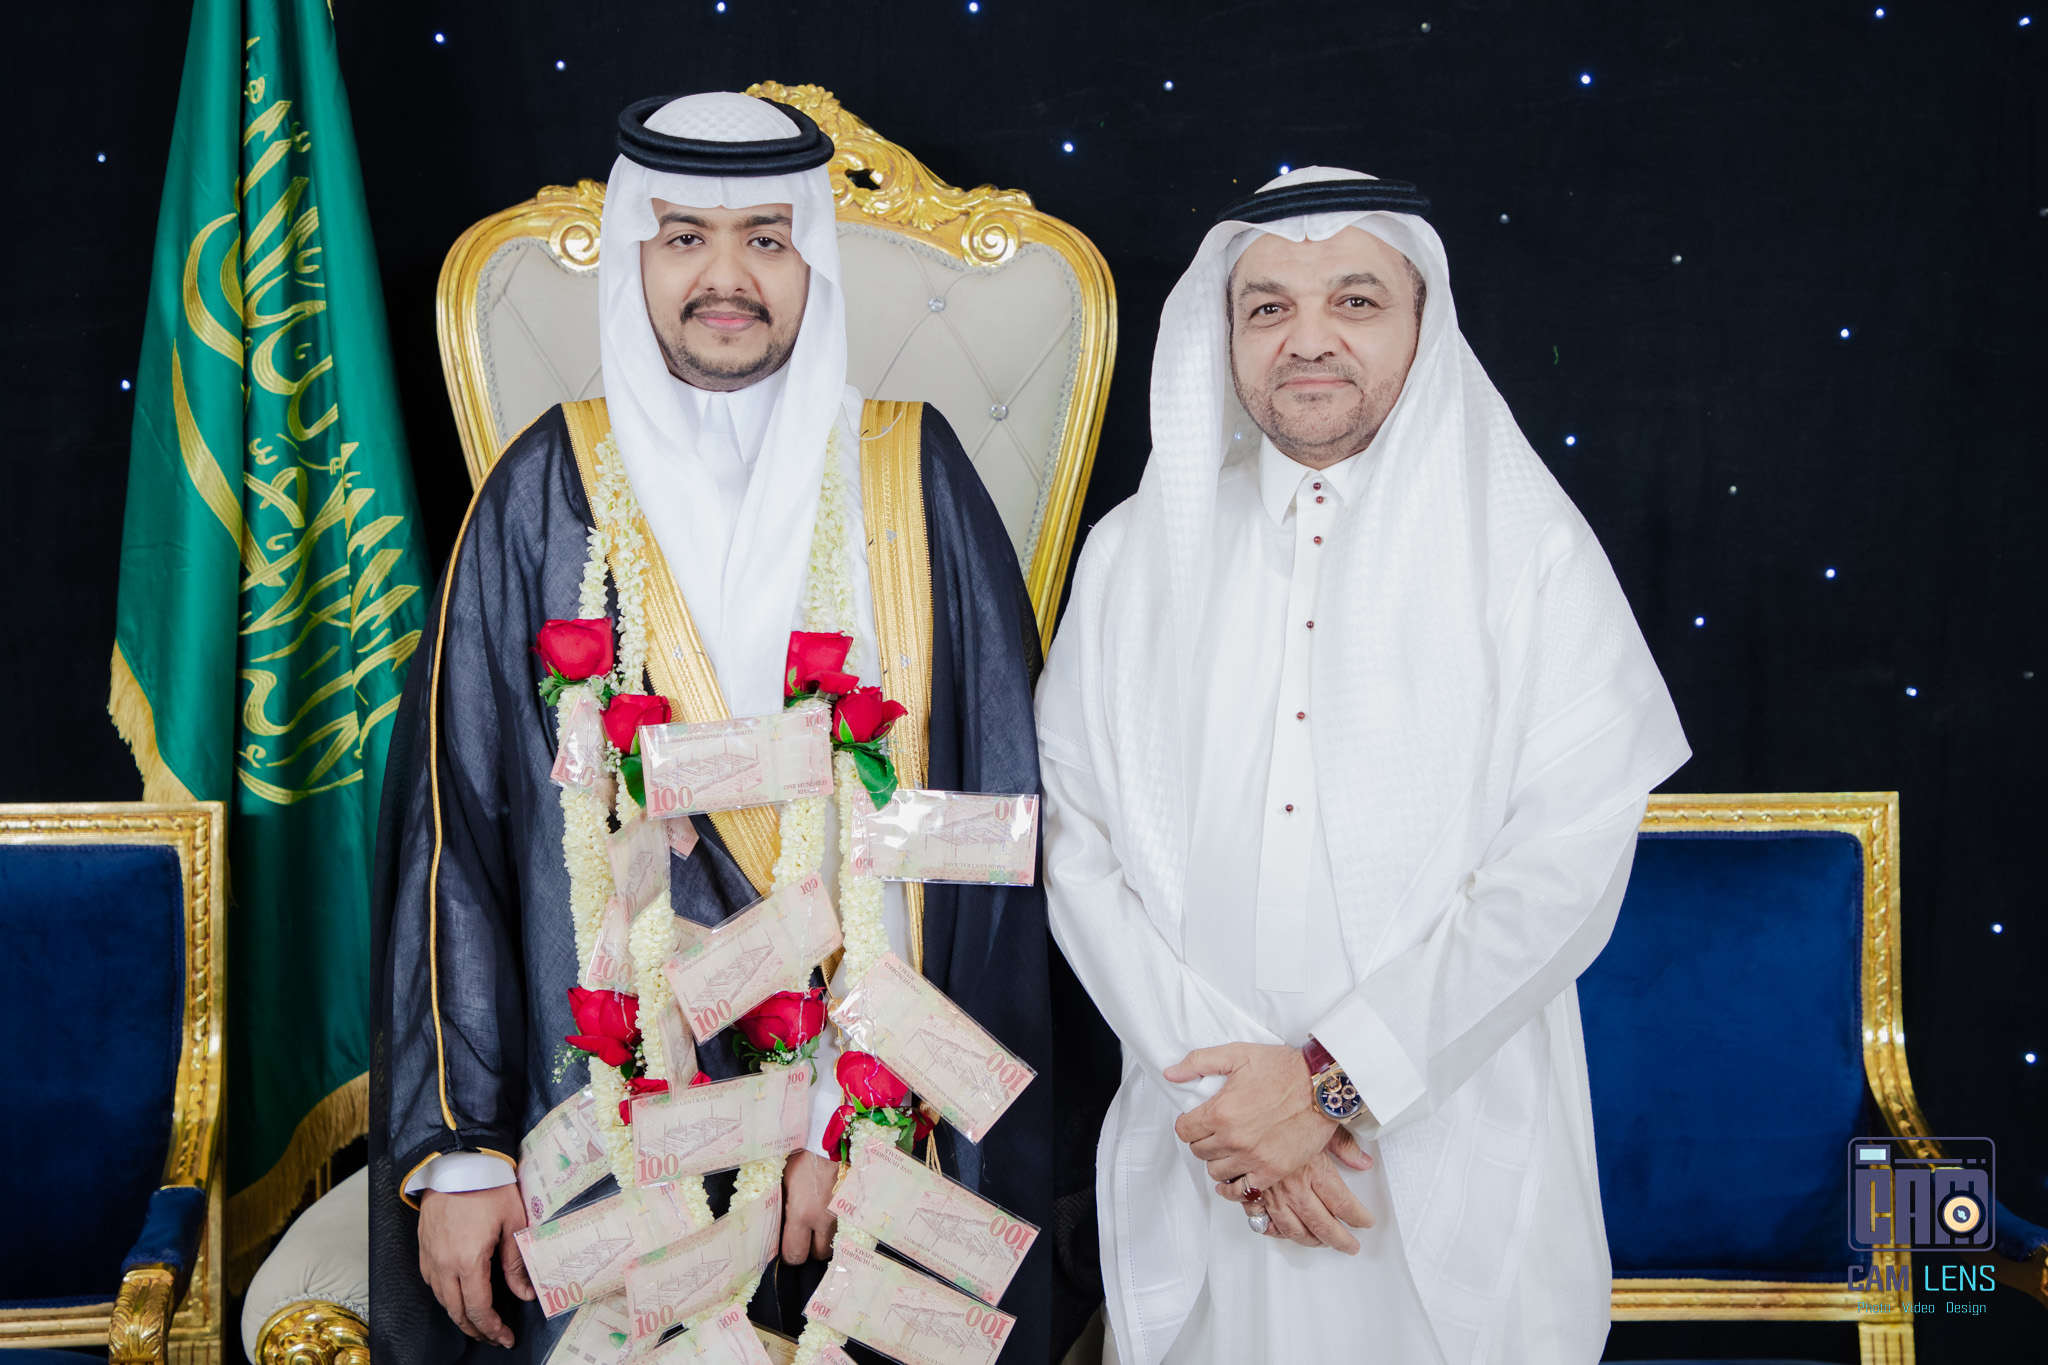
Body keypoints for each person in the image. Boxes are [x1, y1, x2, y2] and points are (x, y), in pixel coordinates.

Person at [370, 92, 1052, 1363]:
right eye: (684, 237)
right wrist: (462, 1151)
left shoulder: (912, 474)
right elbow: (453, 830)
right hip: (603, 1123)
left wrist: (851, 1121)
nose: (724, 278)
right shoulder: (542, 491)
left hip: (878, 1139)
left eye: (765, 240)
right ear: (636, 256)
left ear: (812, 263)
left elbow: (986, 843)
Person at [1036, 167, 1689, 1365]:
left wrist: (1331, 1088)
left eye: (1353, 300)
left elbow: (1561, 871)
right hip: (1207, 1147)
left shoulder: (1528, 553)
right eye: (1267, 308)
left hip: (1446, 1136)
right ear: (1225, 336)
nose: (1307, 338)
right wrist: (1239, 1113)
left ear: (1421, 326)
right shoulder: (1132, 558)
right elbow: (1075, 852)